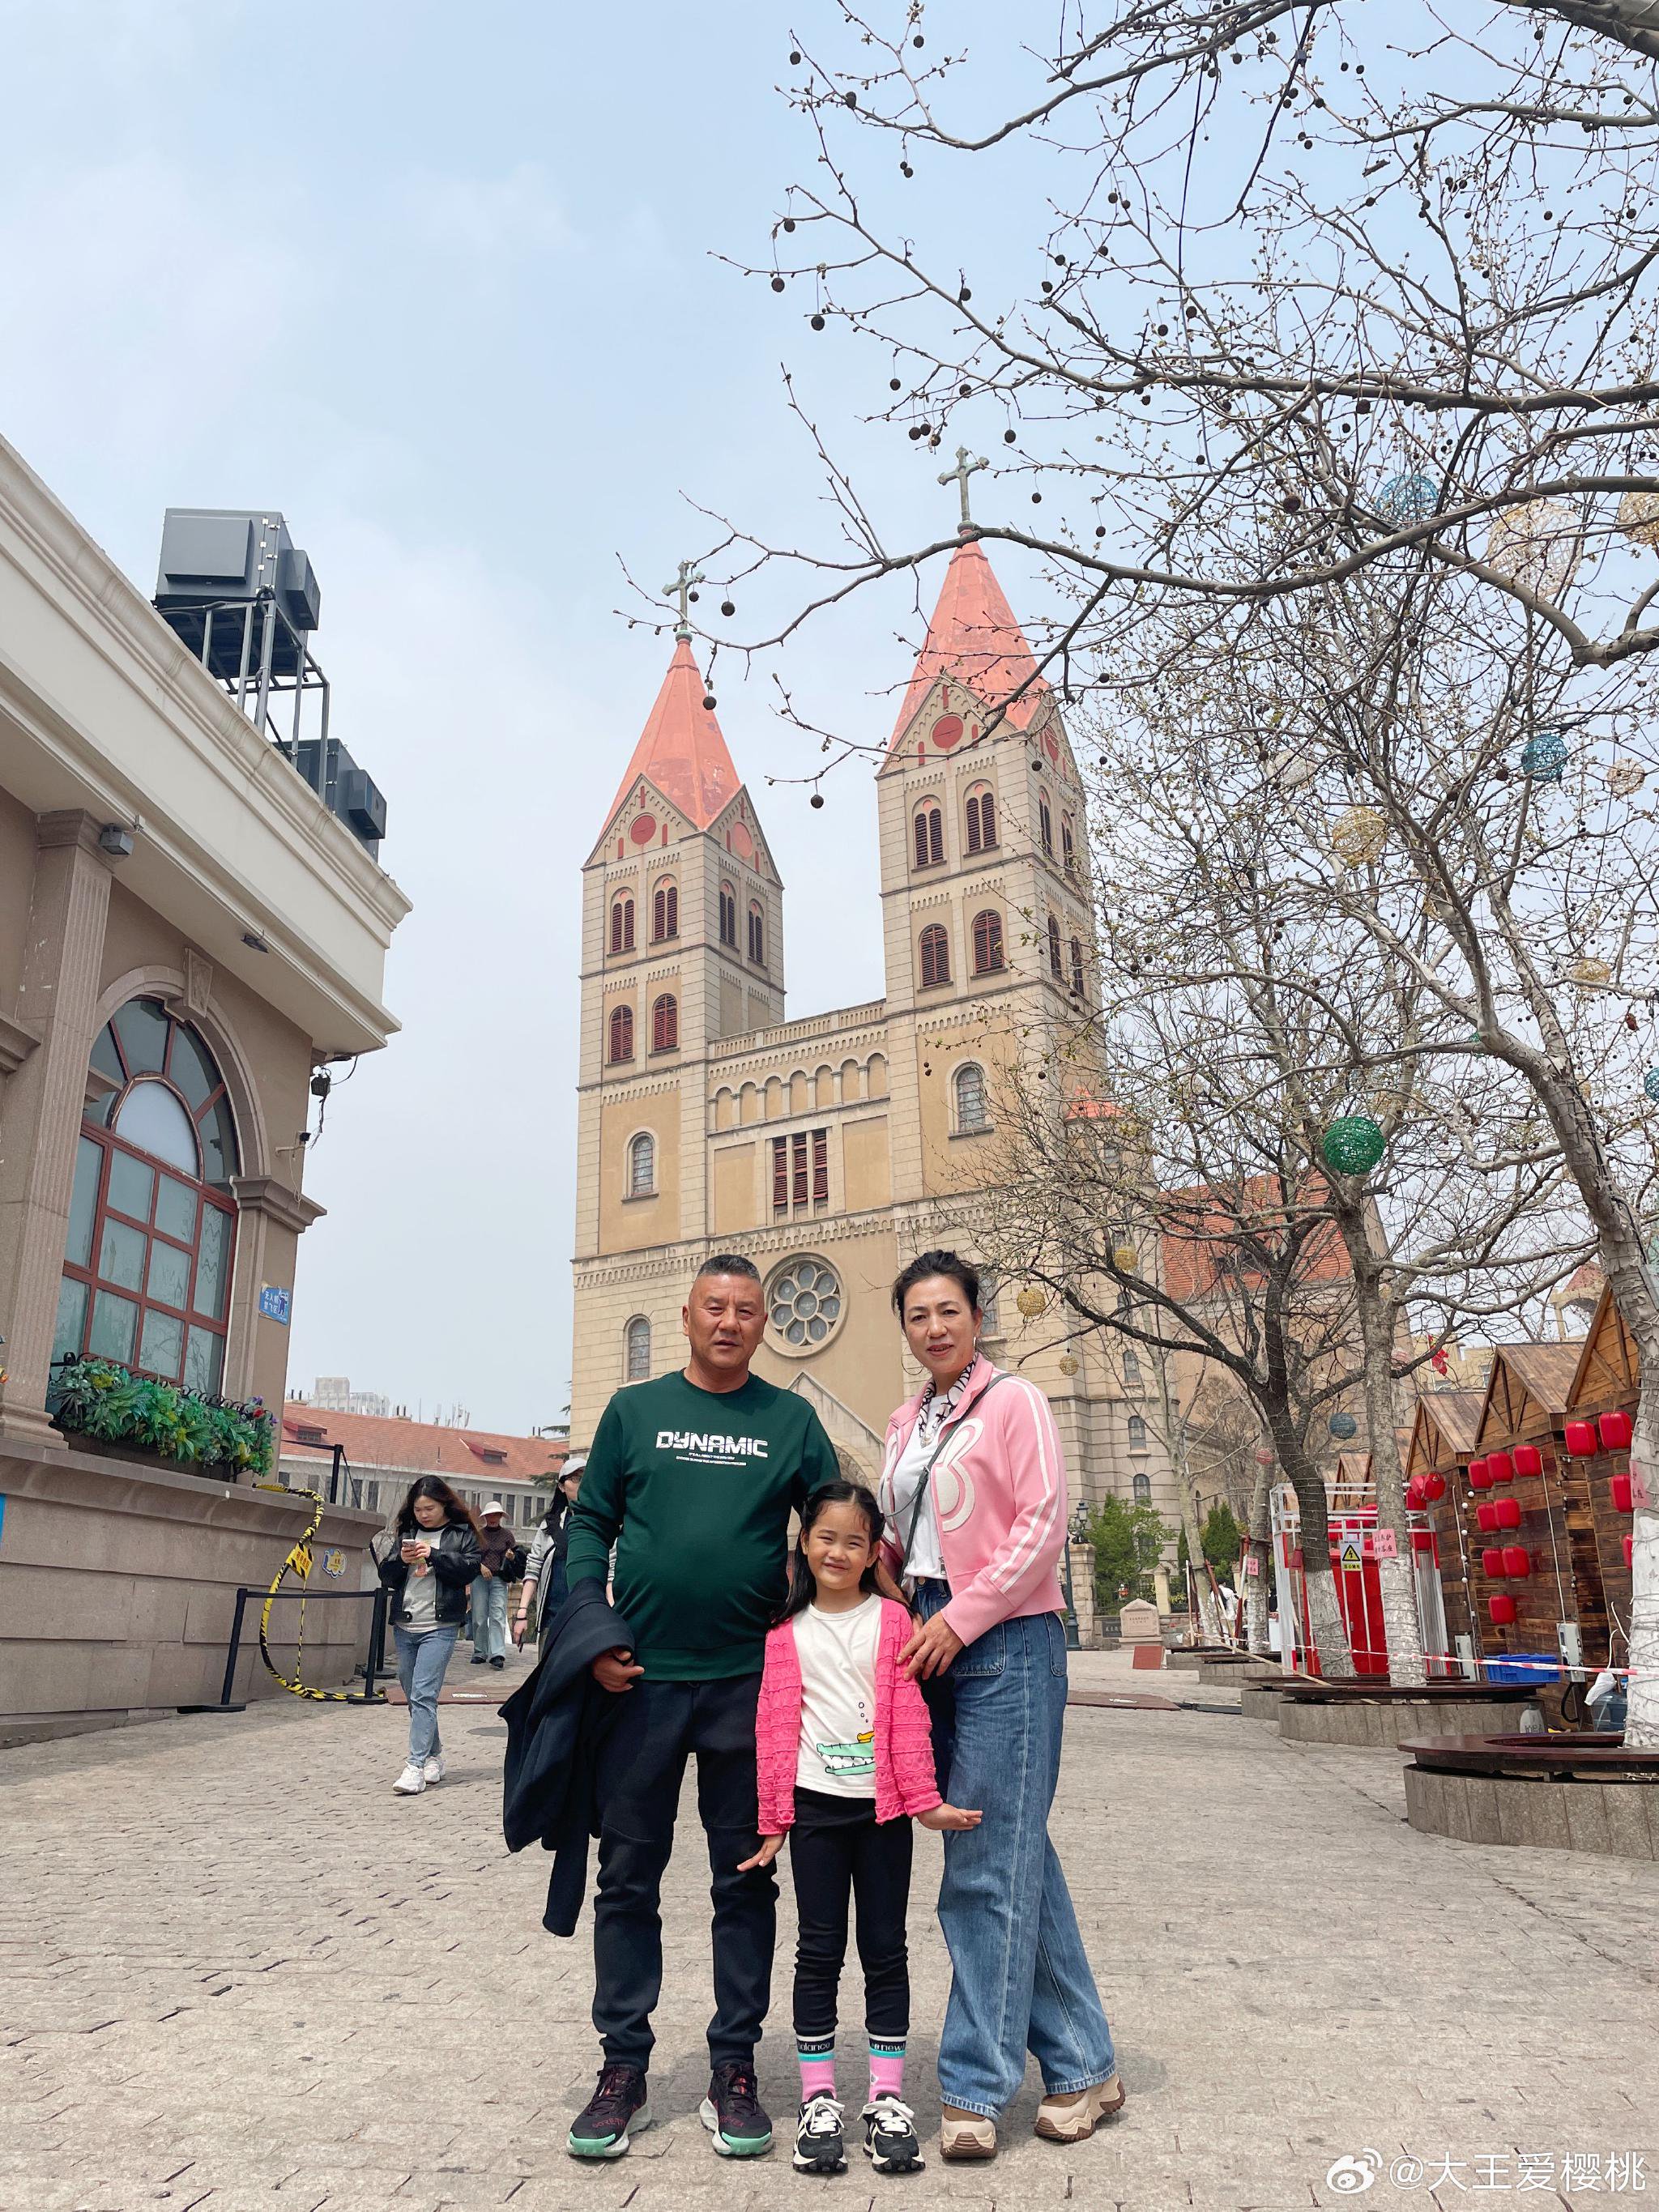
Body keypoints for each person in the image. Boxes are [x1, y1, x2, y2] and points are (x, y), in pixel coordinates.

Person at [561, 1254, 842, 2163]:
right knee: (627, 1878)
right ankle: (623, 2066)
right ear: (686, 1315)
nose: (729, 1322)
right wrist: (591, 1630)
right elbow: (590, 1523)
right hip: (637, 1684)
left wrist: (836, 1633)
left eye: (746, 1311)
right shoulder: (632, 1412)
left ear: (764, 1326)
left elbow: (835, 1527)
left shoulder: (791, 1420)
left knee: (746, 1878)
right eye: (714, 1307)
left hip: (745, 1689)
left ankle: (733, 2068)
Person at [879, 1251, 1123, 2163]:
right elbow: (898, 1538)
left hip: (1006, 1640)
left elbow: (1040, 1522)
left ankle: (975, 2086)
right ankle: (1085, 2063)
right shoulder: (905, 1422)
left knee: (981, 1863)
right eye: (916, 1315)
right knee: (1011, 1851)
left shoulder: (1013, 1402)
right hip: (927, 1637)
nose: (933, 1327)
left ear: (975, 1316)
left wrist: (965, 1617)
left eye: (947, 1310)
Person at [745, 1481, 980, 2178]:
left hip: (881, 1814)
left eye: (855, 1540)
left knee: (885, 1949)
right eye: (826, 1537)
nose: (839, 1551)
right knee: (817, 1952)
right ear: (805, 1544)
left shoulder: (895, 1622)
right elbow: (772, 1730)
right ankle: (819, 2103)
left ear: (874, 1550)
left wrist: (924, 1801)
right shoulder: (784, 1633)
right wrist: (772, 1823)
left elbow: (910, 1720)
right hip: (816, 1812)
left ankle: (886, 2099)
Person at [372, 1477, 481, 1796]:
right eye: (418, 1509)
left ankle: (415, 1766)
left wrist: (434, 1555)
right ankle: (434, 1756)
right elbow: (387, 1576)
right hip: (406, 1624)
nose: (424, 1515)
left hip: (441, 1625)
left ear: (445, 1504)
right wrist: (398, 1561)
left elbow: (468, 1569)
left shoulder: (462, 1534)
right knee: (411, 1689)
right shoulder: (406, 1533)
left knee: (423, 1693)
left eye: (430, 1508)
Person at [514, 1456, 586, 1656]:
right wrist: (522, 1614)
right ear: (562, 1487)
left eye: (587, 1478)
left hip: (588, 1620)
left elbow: (610, 1575)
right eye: (576, 1479)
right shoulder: (549, 1526)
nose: (583, 1484)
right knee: (548, 1681)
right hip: (552, 1618)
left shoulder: (603, 1524)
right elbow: (533, 1569)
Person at [469, 1501, 515, 1669]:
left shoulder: (507, 1536)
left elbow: (516, 1557)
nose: (493, 1518)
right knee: (480, 1616)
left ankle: (497, 1653)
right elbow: (471, 1556)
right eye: (490, 1515)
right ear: (486, 1517)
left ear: (501, 1517)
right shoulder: (478, 1535)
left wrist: (511, 1557)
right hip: (479, 1577)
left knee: (497, 1615)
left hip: (499, 1578)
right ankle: (480, 1651)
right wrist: (481, 1567)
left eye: (496, 1515)